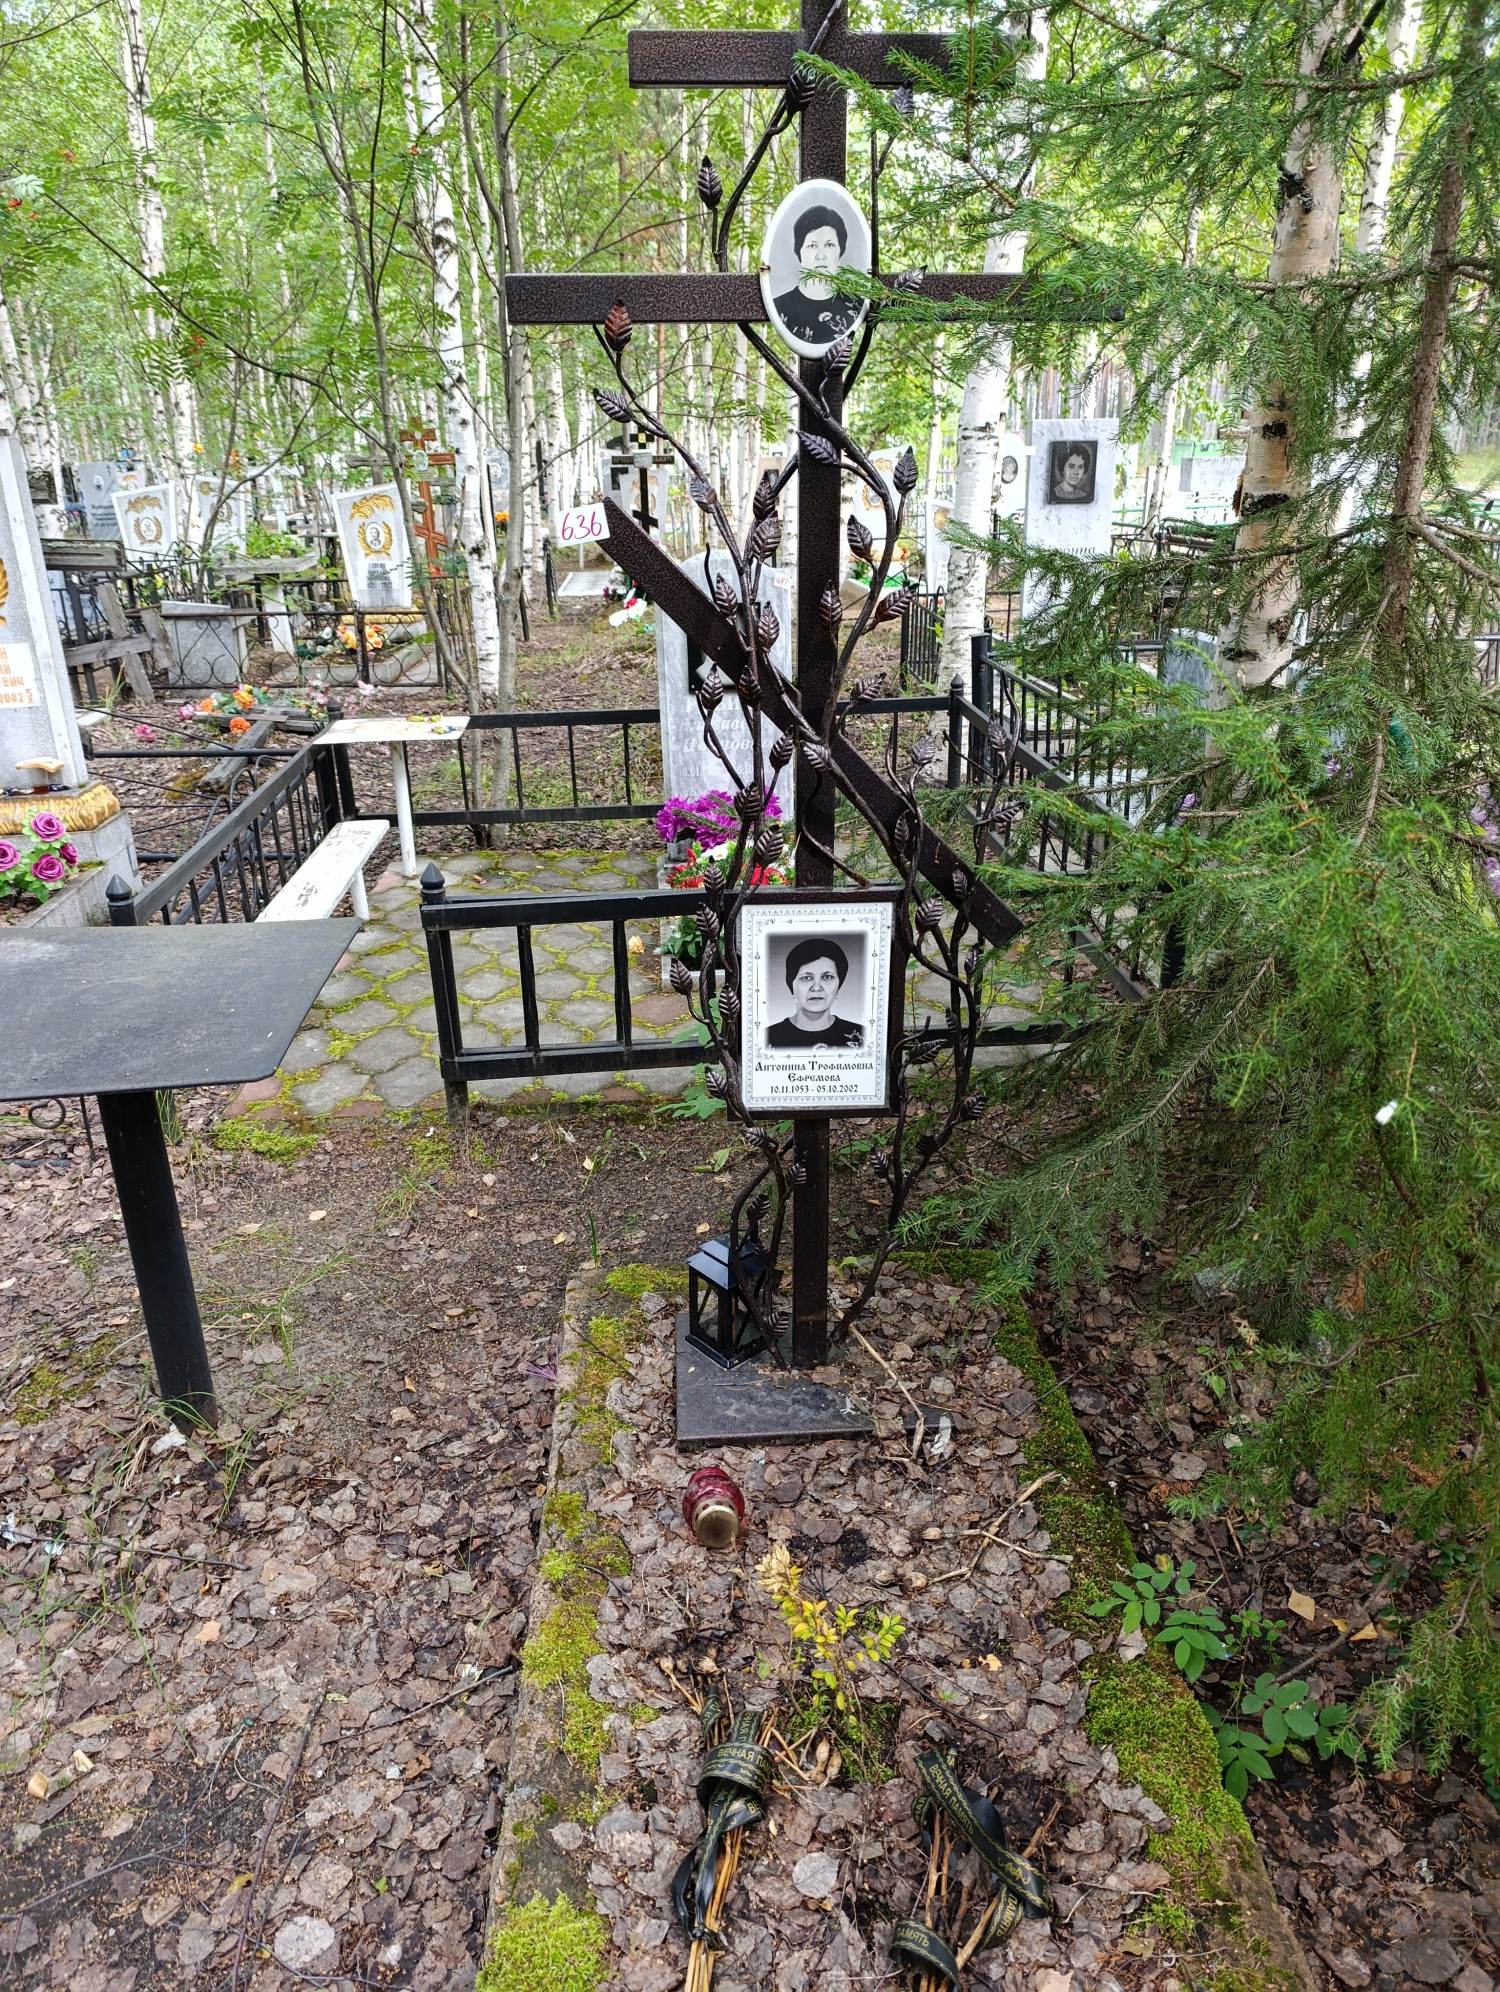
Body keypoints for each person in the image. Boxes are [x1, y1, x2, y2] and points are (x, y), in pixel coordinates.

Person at [772, 206, 863, 345]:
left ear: (840, 252)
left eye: (829, 245)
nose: (821, 256)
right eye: (812, 246)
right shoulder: (779, 307)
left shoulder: (856, 306)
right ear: (799, 252)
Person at [767, 937, 865, 1048]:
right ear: (791, 985)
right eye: (806, 978)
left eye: (827, 977)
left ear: (838, 986)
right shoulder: (764, 1039)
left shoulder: (863, 1037)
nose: (816, 987)